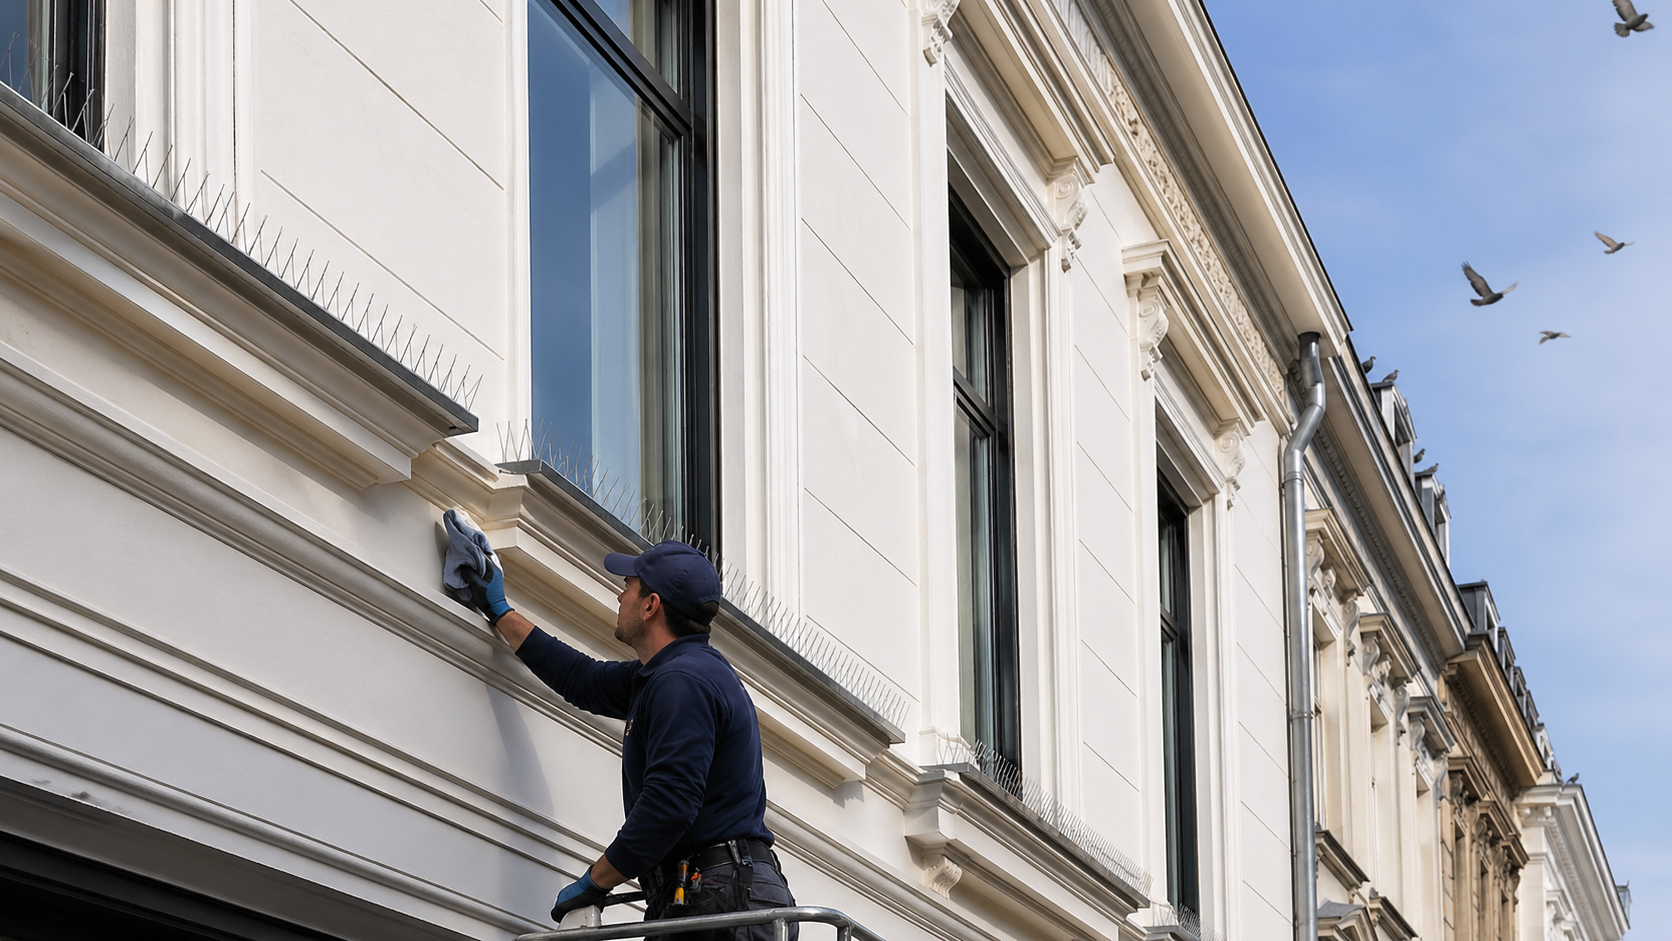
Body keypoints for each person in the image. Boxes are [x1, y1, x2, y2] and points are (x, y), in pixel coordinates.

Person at [460, 538, 797, 940]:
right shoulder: (669, 674)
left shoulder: (681, 682)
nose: (619, 595)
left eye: (627, 586)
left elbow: (669, 804)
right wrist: (499, 609)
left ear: (651, 605)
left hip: (722, 894)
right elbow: (581, 679)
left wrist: (596, 880)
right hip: (712, 891)